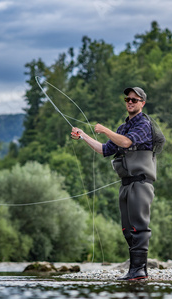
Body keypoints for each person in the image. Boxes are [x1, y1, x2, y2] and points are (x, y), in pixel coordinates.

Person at [71, 87, 155, 281]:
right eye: (128, 99)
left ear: (142, 103)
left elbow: (126, 143)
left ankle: (139, 271)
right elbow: (103, 149)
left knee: (139, 227)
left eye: (135, 99)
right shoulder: (122, 128)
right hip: (125, 184)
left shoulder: (144, 124)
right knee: (127, 228)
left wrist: (105, 130)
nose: (130, 102)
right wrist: (83, 135)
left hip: (141, 183)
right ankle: (136, 269)